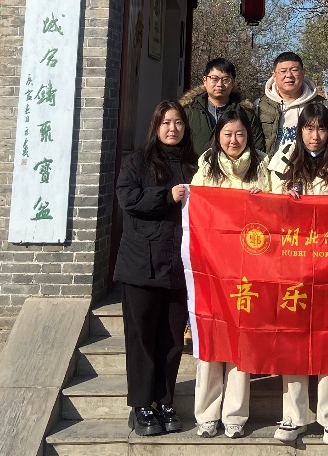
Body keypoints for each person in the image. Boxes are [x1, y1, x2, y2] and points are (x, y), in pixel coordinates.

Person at [268, 101, 328, 446]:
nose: (315, 135)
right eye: (309, 127)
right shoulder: (282, 161)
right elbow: (270, 211)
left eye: (322, 128)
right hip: (293, 264)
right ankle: (292, 416)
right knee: (293, 338)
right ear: (300, 130)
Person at [113, 100, 197, 436]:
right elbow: (127, 199)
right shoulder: (138, 161)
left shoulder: (195, 165)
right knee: (142, 337)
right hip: (141, 265)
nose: (172, 129)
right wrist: (166, 196)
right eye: (166, 123)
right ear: (156, 126)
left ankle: (165, 401)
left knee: (172, 340)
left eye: (178, 123)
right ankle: (141, 405)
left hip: (179, 266)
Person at [190, 108, 269, 439]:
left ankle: (235, 414)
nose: (234, 140)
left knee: (240, 340)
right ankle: (206, 413)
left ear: (248, 135)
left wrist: (263, 200)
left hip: (249, 267)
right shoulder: (206, 166)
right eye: (227, 134)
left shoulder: (262, 166)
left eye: (239, 134)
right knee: (212, 338)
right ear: (218, 137)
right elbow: (195, 209)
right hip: (213, 268)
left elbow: (277, 209)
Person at [180, 58, 263, 158]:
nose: (220, 84)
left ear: (233, 83)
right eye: (214, 79)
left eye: (226, 80)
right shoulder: (188, 111)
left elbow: (257, 150)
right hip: (194, 167)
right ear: (205, 81)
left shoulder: (246, 114)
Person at [257, 51, 320, 158]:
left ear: (303, 73)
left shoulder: (320, 105)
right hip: (272, 166)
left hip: (310, 165)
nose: (289, 75)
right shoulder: (260, 105)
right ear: (274, 76)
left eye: (294, 70)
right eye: (283, 71)